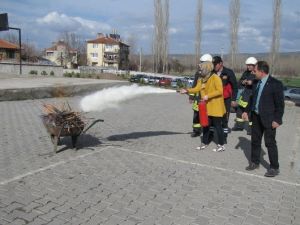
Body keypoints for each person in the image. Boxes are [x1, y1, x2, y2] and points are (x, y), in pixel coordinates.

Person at [242, 61, 284, 177]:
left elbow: (280, 105)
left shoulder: (276, 84)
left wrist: (277, 120)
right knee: (255, 140)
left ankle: (274, 167)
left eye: (255, 70)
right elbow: (252, 99)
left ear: (261, 71)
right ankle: (255, 162)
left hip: (270, 119)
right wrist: (246, 111)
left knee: (270, 143)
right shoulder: (256, 82)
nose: (253, 72)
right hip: (256, 117)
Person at [180, 61, 226, 152]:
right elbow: (197, 88)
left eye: (201, 69)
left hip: (216, 106)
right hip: (207, 106)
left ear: (207, 69)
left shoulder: (215, 78)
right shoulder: (201, 79)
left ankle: (221, 145)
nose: (199, 71)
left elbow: (220, 91)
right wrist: (187, 90)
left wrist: (208, 96)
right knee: (205, 125)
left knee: (217, 126)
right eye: (199, 70)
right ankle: (204, 143)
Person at [212, 56, 238, 142]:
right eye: (213, 64)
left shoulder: (229, 72)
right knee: (213, 117)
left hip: (226, 99)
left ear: (221, 63)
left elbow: (235, 87)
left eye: (215, 64)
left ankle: (224, 136)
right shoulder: (212, 72)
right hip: (214, 99)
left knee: (225, 118)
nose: (214, 66)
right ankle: (211, 135)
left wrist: (233, 99)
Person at [189, 54, 213, 137]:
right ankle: (196, 130)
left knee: (208, 115)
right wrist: (191, 96)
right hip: (198, 98)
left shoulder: (213, 74)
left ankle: (209, 131)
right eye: (201, 62)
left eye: (203, 62)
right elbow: (194, 85)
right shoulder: (198, 73)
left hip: (208, 98)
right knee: (196, 115)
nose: (201, 64)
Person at [232, 57, 257, 135]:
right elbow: (239, 82)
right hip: (244, 95)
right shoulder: (246, 73)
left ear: (254, 65)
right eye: (247, 65)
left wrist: (252, 82)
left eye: (250, 65)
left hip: (252, 95)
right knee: (239, 111)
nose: (248, 67)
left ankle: (251, 129)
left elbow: (259, 83)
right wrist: (243, 82)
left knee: (250, 114)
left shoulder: (258, 73)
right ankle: (239, 126)